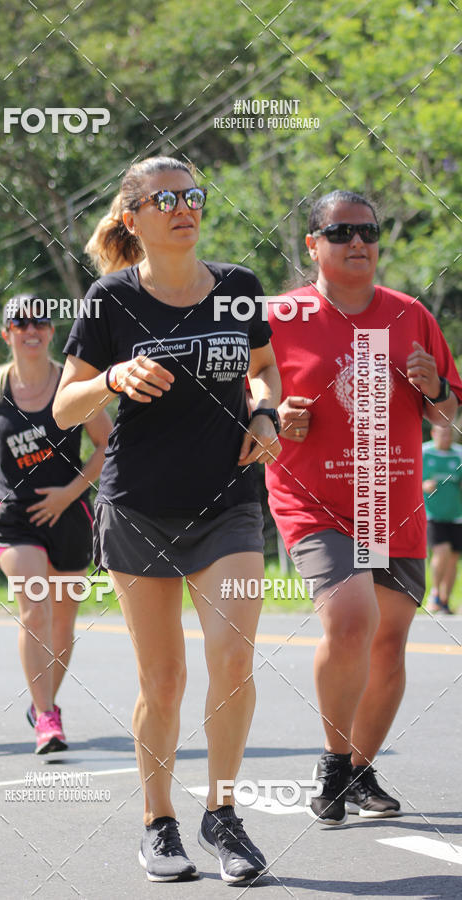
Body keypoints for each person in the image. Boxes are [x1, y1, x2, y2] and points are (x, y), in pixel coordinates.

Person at [53, 156, 282, 884]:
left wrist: (268, 410)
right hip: (139, 508)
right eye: (166, 199)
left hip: (229, 502)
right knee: (164, 679)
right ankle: (158, 820)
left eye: (194, 195)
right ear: (133, 218)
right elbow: (62, 407)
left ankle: (224, 814)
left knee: (236, 659)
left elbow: (266, 369)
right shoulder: (109, 299)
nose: (185, 208)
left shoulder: (240, 287)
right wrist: (111, 378)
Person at [265, 189, 462, 825]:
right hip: (313, 497)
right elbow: (247, 401)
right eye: (342, 231)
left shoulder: (409, 314)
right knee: (350, 619)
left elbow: (446, 414)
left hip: (390, 495)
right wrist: (273, 416)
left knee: (389, 644)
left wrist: (433, 389)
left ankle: (356, 771)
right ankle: (332, 761)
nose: (359, 242)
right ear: (312, 245)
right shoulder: (278, 316)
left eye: (369, 231)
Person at [0, 299, 112, 754]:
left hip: (68, 514)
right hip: (14, 514)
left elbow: (107, 446)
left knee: (63, 622)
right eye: (20, 323)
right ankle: (47, 718)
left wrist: (69, 493)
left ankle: (42, 699)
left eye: (40, 322)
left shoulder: (75, 385)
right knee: (35, 606)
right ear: (5, 332)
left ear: (52, 332)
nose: (31, 330)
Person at [422, 424, 462, 614]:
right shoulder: (424, 453)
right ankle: (435, 594)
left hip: (456, 514)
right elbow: (410, 479)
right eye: (442, 434)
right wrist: (423, 485)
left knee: (453, 558)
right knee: (442, 551)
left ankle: (445, 600)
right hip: (432, 514)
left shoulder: (459, 454)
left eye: (449, 434)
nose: (446, 438)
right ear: (433, 433)